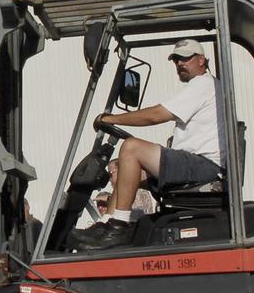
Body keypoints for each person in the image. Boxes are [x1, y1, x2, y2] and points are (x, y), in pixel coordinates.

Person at [71, 39, 224, 251]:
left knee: (132, 147)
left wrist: (110, 119)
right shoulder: (203, 86)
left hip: (202, 165)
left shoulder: (203, 84)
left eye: (186, 58)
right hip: (193, 162)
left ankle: (118, 226)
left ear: (201, 60)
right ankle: (106, 224)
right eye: (176, 60)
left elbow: (156, 115)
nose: (180, 64)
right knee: (122, 169)